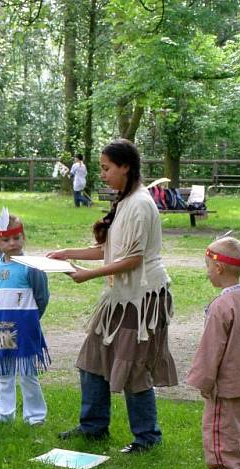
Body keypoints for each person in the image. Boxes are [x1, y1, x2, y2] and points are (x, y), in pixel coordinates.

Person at [48, 139, 177, 453]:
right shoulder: (126, 200)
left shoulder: (141, 204)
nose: (102, 175)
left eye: (106, 168)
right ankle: (93, 427)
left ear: (125, 167)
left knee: (132, 367)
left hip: (142, 298)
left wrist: (85, 274)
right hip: (120, 296)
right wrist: (67, 253)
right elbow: (108, 250)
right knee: (93, 358)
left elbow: (134, 260)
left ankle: (147, 438)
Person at [185, 237, 240, 469]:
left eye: (208, 267)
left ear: (218, 268)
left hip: (227, 382)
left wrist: (205, 382)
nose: (207, 273)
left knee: (221, 427)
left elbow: (211, 348)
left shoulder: (221, 305)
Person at [0, 208, 50, 426]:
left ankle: (35, 416)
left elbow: (41, 296)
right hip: (4, 326)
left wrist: (32, 318)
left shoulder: (32, 268)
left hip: (26, 326)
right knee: (4, 371)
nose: (12, 243)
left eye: (16, 238)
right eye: (6, 239)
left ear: (23, 238)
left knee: (27, 373)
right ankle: (4, 412)